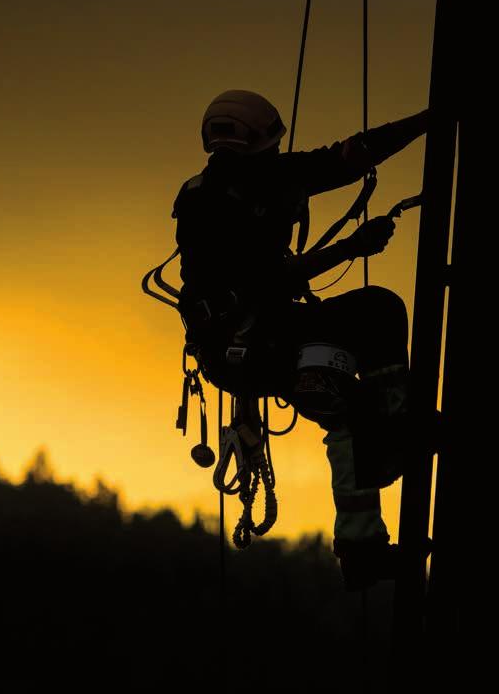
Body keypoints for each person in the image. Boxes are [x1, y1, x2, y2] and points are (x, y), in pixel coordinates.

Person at [172, 89, 429, 590]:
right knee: (341, 407)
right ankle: (361, 548)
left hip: (275, 332)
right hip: (242, 349)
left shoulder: (275, 177)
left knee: (379, 309)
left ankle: (394, 419)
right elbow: (259, 285)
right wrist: (353, 247)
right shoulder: (206, 204)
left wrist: (428, 119)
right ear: (263, 142)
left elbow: (351, 157)